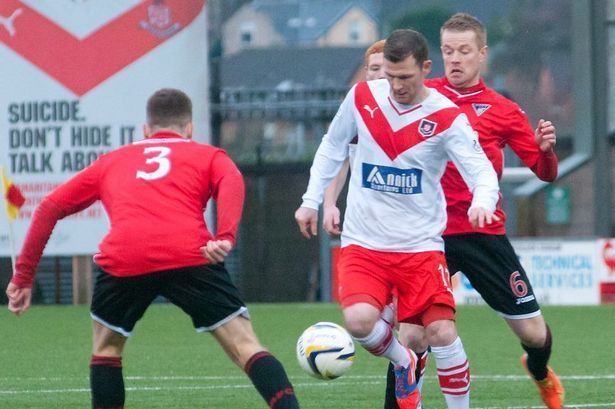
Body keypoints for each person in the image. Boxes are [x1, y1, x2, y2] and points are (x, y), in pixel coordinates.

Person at [5, 89, 300, 409]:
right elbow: (232, 180)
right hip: (190, 253)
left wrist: (23, 278)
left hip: (125, 258)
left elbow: (49, 207)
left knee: (106, 350)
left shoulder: (112, 160)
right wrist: (225, 236)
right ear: (189, 129)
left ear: (146, 130)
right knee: (245, 345)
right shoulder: (209, 155)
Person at [295, 29, 500, 409]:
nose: (396, 86)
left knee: (440, 332)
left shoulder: (445, 116)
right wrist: (311, 200)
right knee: (358, 322)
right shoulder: (361, 97)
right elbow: (332, 145)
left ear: (425, 68)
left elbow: (482, 171)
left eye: (405, 77)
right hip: (364, 243)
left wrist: (482, 200)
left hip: (419, 247)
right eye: (389, 76)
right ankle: (404, 362)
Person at [379, 13, 565, 409]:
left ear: (482, 54)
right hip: (428, 237)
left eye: (464, 50)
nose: (456, 59)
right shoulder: (423, 94)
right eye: (448, 50)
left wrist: (547, 152)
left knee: (533, 333)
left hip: (484, 234)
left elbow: (544, 173)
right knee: (412, 338)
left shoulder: (503, 110)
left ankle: (540, 372)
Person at [323, 39, 385, 234]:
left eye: (387, 67)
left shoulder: (420, 108)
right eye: (374, 68)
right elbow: (338, 157)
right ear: (366, 71)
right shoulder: (357, 108)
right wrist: (329, 205)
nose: (381, 74)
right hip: (363, 224)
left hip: (409, 223)